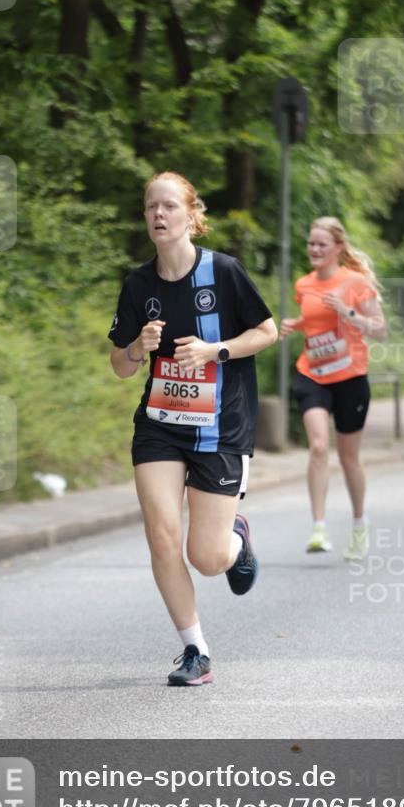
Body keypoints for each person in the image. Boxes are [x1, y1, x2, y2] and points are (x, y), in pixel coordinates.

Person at [109, 172, 277, 687]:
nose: (158, 215)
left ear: (189, 215)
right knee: (162, 535)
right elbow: (120, 364)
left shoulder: (223, 273)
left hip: (220, 429)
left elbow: (266, 332)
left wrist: (215, 350)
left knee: (205, 558)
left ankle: (236, 540)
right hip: (160, 426)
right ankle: (194, 650)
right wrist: (139, 345)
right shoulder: (139, 285)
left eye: (168, 207)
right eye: (150, 207)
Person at [280, 216, 386, 560]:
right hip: (312, 373)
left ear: (338, 248)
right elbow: (315, 324)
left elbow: (380, 330)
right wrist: (296, 325)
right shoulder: (304, 284)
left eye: (321, 244)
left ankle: (358, 525)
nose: (314, 249)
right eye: (311, 243)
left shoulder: (356, 283)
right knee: (318, 447)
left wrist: (348, 313)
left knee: (349, 458)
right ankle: (319, 527)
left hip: (350, 377)